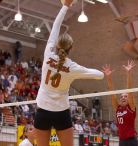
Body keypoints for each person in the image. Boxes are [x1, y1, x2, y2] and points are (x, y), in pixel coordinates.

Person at [33, 1, 104, 146]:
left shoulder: (48, 55)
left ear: (57, 45)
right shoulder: (72, 67)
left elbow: (55, 27)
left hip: (42, 112)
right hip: (61, 114)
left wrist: (65, 6)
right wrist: (103, 73)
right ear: (71, 48)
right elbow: (98, 75)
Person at [102, 60, 138, 146]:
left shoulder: (131, 108)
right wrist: (108, 77)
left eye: (125, 96)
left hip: (132, 141)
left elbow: (129, 90)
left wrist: (128, 73)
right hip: (122, 141)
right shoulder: (117, 108)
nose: (123, 98)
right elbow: (112, 92)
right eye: (121, 96)